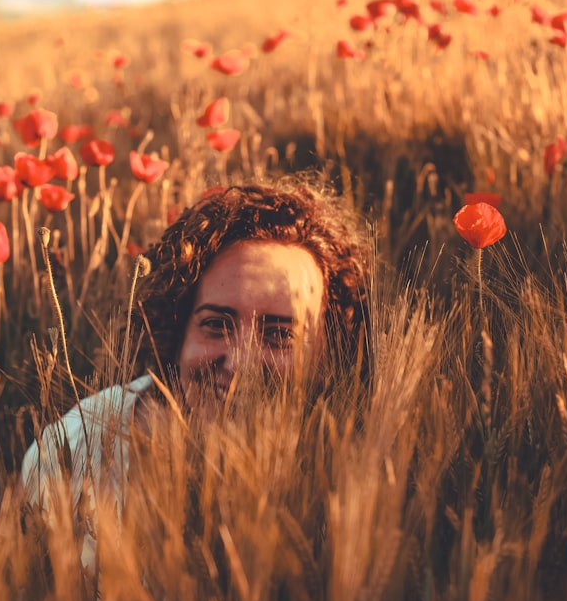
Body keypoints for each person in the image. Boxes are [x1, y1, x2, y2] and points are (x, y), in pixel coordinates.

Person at [21, 179, 372, 563]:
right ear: (177, 330)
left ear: (329, 349)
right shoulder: (72, 449)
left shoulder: (359, 485)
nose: (240, 364)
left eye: (279, 335)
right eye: (216, 324)